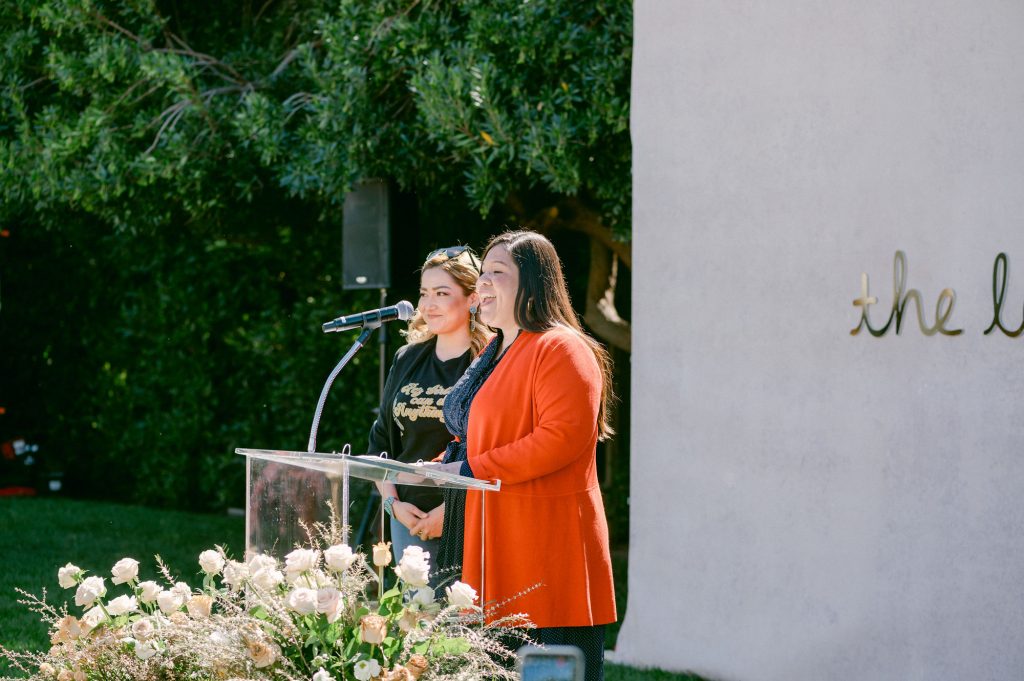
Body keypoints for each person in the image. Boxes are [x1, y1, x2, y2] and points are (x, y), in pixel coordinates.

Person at [432, 230, 616, 681]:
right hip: (488, 541)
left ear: (534, 282)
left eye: (498, 272)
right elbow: (486, 434)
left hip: (544, 554)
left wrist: (471, 469)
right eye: (483, 274)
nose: (484, 284)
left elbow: (561, 438)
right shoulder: (495, 351)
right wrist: (440, 465)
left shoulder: (562, 348)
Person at [366, 245, 488, 578]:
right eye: (424, 293)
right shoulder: (407, 358)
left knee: (459, 624)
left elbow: (497, 451)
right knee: (415, 619)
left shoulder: (490, 362)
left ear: (473, 298)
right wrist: (393, 506)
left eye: (441, 293)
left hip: (469, 517)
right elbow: (380, 442)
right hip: (406, 517)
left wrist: (451, 513)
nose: (428, 304)